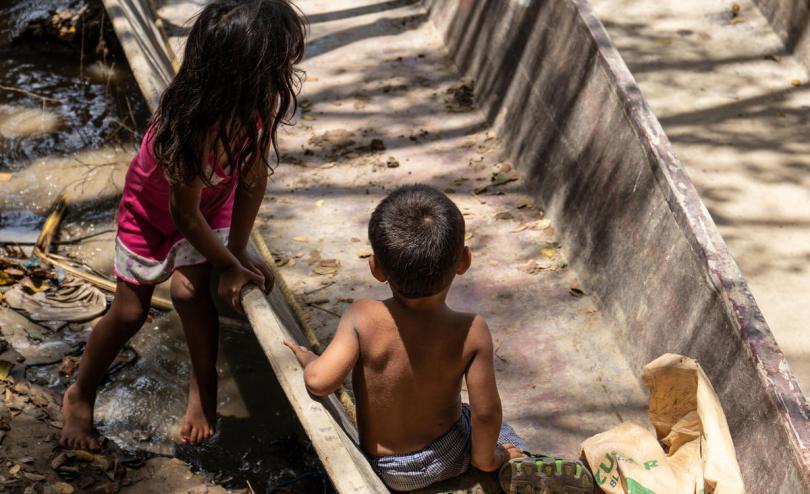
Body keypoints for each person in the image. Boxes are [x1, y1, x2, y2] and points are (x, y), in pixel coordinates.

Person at [60, 0, 306, 450]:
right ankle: (81, 392)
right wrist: (228, 264)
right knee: (130, 313)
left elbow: (252, 181)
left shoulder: (257, 104)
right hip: (151, 216)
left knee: (191, 293)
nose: (286, 71)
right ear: (244, 72)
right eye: (279, 62)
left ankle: (203, 388)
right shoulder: (191, 126)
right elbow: (182, 215)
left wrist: (239, 247)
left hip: (210, 208)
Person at [284, 185, 594, 492]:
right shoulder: (471, 330)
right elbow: (487, 413)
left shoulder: (361, 316)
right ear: (464, 261)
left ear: (375, 268)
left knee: (471, 418)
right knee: (493, 426)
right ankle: (517, 461)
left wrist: (311, 360)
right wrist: (488, 458)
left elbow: (319, 382)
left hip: (390, 470)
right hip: (451, 455)